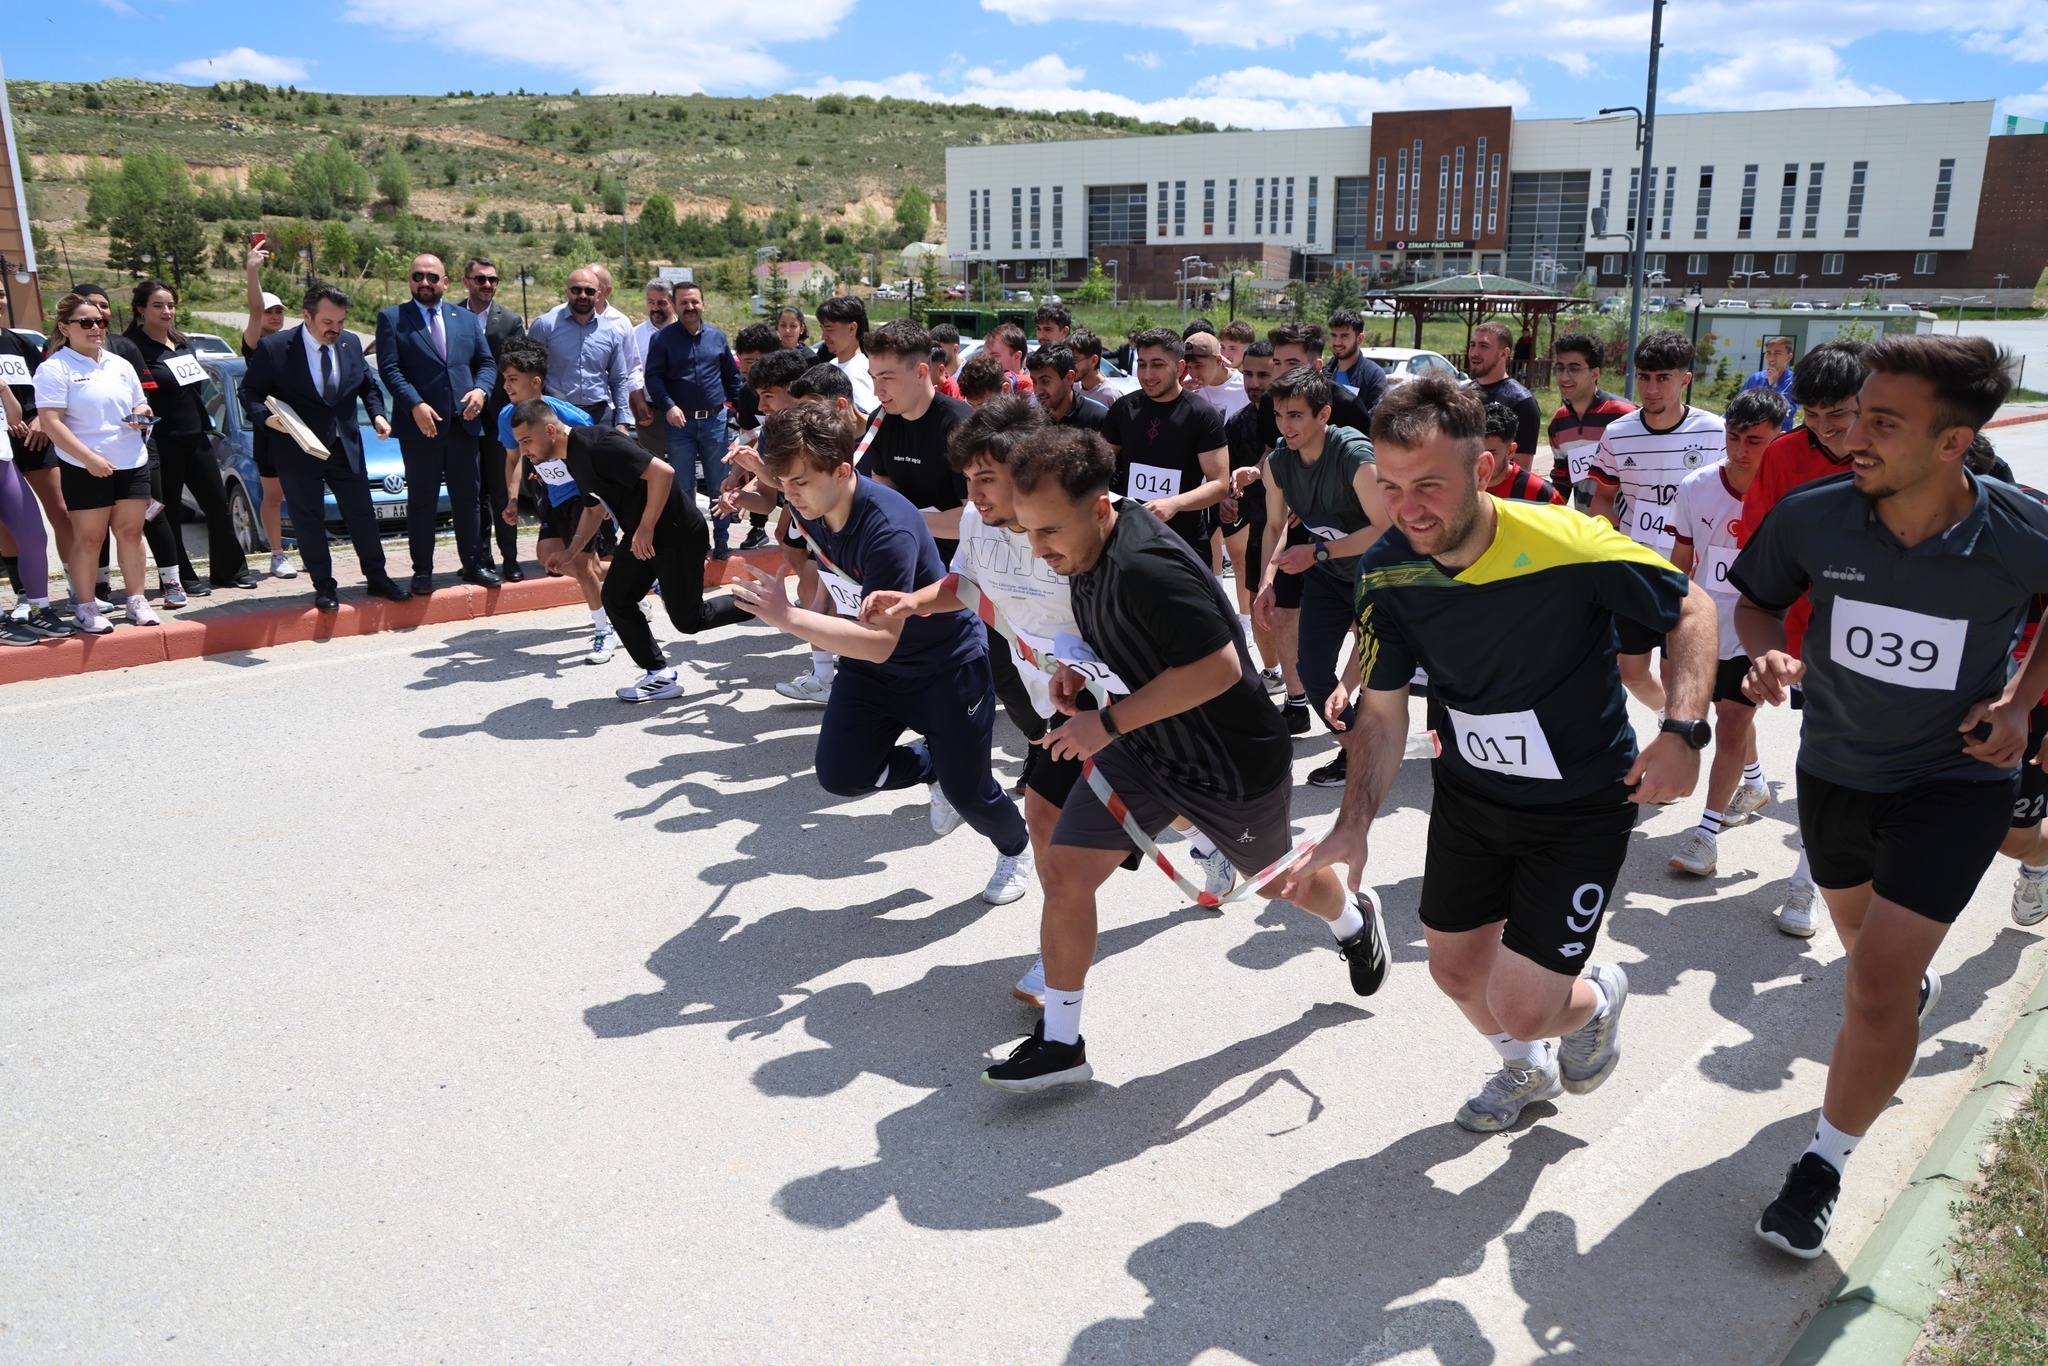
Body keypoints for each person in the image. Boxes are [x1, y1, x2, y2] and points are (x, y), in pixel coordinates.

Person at [1296, 375, 1715, 1133]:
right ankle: (1527, 1067)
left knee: (1523, 1004)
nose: (1408, 509)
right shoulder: (1387, 567)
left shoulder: (1567, 543)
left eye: (1429, 485)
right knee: (1456, 971)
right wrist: (1354, 822)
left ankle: (1597, 998)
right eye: (1391, 487)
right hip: (1471, 798)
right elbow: (1383, 713)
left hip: (1580, 805)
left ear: (1483, 469)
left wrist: (1683, 729)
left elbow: (1692, 606)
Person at [1734, 334, 2047, 1261]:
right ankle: (1907, 993)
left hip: (1956, 779)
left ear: (1953, 443)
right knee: (1870, 959)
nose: (1854, 437)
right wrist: (1766, 650)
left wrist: (2020, 701)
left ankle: (1822, 1164)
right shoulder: (1815, 515)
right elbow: (1755, 601)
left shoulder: (2019, 529)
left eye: (1882, 423)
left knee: (1871, 989)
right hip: (1837, 770)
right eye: (1857, 416)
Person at [980, 426, 1391, 1092]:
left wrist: (1104, 723)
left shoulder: (1145, 565)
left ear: (1101, 509)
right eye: (1028, 531)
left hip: (1229, 761)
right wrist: (1081, 670)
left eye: (1049, 530)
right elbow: (1118, 628)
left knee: (1278, 882)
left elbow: (1218, 669)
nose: (1038, 547)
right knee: (1064, 872)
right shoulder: (1086, 545)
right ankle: (1060, 1043)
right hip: (1145, 748)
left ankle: (1352, 919)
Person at [727, 400, 1035, 906]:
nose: (790, 493)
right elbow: (838, 578)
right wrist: (767, 478)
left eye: (799, 481)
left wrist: (788, 617)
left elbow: (879, 641)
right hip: (873, 673)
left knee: (971, 794)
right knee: (842, 775)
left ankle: (1015, 847)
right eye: (783, 482)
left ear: (841, 470)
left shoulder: (887, 528)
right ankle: (929, 766)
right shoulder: (813, 502)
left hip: (944, 667)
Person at [862, 396, 1110, 1005]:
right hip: (1058, 699)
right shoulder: (978, 520)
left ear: (1028, 471)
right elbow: (970, 585)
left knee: (1179, 819)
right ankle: (1057, 963)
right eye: (967, 478)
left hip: (1124, 697)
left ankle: (1207, 840)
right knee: (1045, 819)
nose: (972, 494)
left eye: (986, 479)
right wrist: (914, 601)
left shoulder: (1085, 523)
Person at [1737, 339, 1868, 936]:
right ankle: (1811, 877)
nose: (1826, 429)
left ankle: (1812, 877)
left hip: (1891, 635)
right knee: (1826, 753)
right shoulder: (1785, 455)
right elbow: (1758, 551)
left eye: (1838, 415)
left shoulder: (1900, 454)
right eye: (1812, 415)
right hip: (1809, 637)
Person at [510, 399, 746, 702]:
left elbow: (663, 472)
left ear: (550, 431)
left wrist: (646, 526)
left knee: (690, 620)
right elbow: (593, 509)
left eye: (526, 440)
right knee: (616, 598)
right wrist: (571, 552)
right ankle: (658, 676)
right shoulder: (572, 457)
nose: (524, 450)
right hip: (641, 536)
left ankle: (762, 605)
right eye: (520, 443)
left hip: (676, 533)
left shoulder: (599, 444)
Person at [1666, 388, 1787, 876]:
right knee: (1724, 713)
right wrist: (1671, 623)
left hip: (1758, 629)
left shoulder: (1791, 493)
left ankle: (1706, 834)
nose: (1741, 450)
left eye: (1755, 440)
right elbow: (1682, 561)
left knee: (1733, 721)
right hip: (1704, 627)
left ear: (1779, 436)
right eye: (1733, 437)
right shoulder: (1695, 486)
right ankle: (1753, 782)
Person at [1253, 366, 1390, 789]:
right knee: (1311, 671)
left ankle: (1372, 750)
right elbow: (1274, 526)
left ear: (1324, 414)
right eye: (1279, 415)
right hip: (1328, 575)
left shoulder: (1354, 457)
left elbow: (1385, 528)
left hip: (1377, 574)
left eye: (1295, 415)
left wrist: (1316, 551)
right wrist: (1266, 582)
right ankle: (1356, 750)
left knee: (1378, 670)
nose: (1285, 425)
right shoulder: (1278, 463)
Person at [242, 283, 414, 613]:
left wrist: (378, 415)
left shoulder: (350, 343)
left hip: (345, 446)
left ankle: (377, 577)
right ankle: (324, 585)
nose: (336, 329)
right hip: (298, 447)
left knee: (362, 514)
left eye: (341, 322)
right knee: (308, 519)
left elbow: (368, 385)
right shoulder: (276, 348)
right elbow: (249, 391)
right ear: (307, 316)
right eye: (328, 323)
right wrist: (266, 419)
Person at [1589, 329, 1725, 712]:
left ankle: (1680, 732)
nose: (1651, 389)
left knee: (1673, 672)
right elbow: (1603, 498)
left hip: (1688, 575)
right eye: (1644, 377)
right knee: (1631, 673)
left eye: (1663, 378)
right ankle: (1670, 718)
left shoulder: (1714, 432)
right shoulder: (1618, 434)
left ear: (1685, 379)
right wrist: (1606, 551)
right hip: (1637, 570)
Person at [33, 292, 158, 633]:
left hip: (131, 460)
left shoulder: (120, 364)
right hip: (83, 465)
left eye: (100, 322)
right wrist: (88, 458)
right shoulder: (54, 368)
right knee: (89, 539)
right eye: (85, 322)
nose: (95, 328)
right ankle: (85, 607)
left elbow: (140, 403)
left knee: (131, 533)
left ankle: (136, 600)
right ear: (64, 327)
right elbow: (51, 422)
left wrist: (141, 413)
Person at [375, 253, 499, 592]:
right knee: (422, 502)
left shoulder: (465, 318)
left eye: (432, 277)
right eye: (418, 276)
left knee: (468, 499)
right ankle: (423, 572)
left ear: (445, 282)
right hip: (421, 427)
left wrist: (481, 390)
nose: (425, 283)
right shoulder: (392, 318)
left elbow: (486, 363)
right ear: (410, 280)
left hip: (463, 424)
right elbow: (390, 369)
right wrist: (414, 404)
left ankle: (473, 564)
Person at [126, 278, 256, 598]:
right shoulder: (132, 347)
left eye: (171, 305)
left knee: (217, 503)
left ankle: (229, 571)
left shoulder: (182, 342)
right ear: (141, 309)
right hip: (161, 440)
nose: (167, 311)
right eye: (158, 305)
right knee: (168, 512)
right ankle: (179, 576)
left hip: (196, 436)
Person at [495, 337, 611, 663]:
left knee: (581, 565)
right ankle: (637, 582)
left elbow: (595, 452)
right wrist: (513, 499)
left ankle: (604, 629)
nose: (506, 386)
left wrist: (602, 498)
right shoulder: (507, 415)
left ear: (535, 382)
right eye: (504, 379)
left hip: (582, 495)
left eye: (512, 379)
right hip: (552, 496)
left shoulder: (568, 415)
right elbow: (513, 458)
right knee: (550, 557)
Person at [1099, 328, 1229, 560]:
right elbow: (1098, 465)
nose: (1148, 374)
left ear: (1180, 367)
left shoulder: (1202, 414)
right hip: (1129, 537)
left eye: (1158, 365)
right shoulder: (1123, 408)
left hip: (1183, 541)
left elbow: (1219, 485)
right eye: (1142, 365)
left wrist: (1174, 504)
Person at [644, 281, 741, 558]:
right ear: (675, 306)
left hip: (715, 422)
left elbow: (732, 378)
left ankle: (721, 540)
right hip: (679, 424)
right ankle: (693, 541)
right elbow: (653, 377)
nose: (690, 307)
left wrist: (742, 411)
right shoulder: (662, 339)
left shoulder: (717, 337)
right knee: (683, 487)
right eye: (684, 302)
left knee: (719, 483)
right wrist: (668, 406)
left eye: (694, 301)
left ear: (703, 304)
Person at [457, 256, 528, 580]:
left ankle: (510, 559)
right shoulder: (451, 316)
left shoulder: (510, 321)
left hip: (499, 420)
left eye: (492, 280)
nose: (487, 285)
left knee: (502, 492)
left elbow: (519, 368)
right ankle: (479, 558)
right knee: (473, 493)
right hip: (462, 419)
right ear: (466, 282)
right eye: (480, 279)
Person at [1221, 340, 1285, 694]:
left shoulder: (1297, 418)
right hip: (1260, 527)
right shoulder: (1237, 423)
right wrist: (1227, 500)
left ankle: (1303, 680)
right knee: (1258, 603)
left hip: (1301, 527)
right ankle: (1273, 672)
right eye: (1248, 374)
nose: (1255, 383)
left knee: (1295, 611)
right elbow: (1226, 476)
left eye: (1264, 374)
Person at [240, 242, 295, 577]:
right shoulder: (254, 342)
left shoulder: (292, 342)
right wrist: (252, 271)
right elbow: (255, 309)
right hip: (270, 430)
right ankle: (277, 554)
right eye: (269, 311)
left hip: (299, 429)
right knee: (273, 495)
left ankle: (312, 548)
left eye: (279, 311)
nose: (274, 316)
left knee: (303, 493)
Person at [0, 379, 69, 640]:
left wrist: (4, 389)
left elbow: (13, 418)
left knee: (34, 537)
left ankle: (40, 610)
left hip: (4, 462)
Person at [526, 268, 633, 429]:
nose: (583, 295)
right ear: (567, 292)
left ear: (598, 294)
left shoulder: (610, 332)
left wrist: (623, 422)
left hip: (599, 417)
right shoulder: (544, 326)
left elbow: (618, 379)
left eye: (589, 291)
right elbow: (529, 373)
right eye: (577, 290)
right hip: (556, 415)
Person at [1547, 332, 1635, 510]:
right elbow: (1562, 480)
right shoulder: (1558, 423)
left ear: (1594, 374)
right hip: (1585, 525)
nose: (1564, 377)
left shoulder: (1626, 417)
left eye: (1574, 369)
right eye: (1560, 368)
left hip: (1625, 526)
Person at [725, 322, 782, 552]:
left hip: (803, 472)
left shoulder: (794, 388)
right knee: (784, 534)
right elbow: (748, 439)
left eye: (751, 361)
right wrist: (734, 477)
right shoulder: (746, 392)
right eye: (742, 360)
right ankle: (758, 528)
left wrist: (748, 487)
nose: (745, 368)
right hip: (774, 470)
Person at [1466, 321, 1542, 478]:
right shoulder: (1462, 395)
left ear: (1504, 353)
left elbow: (1521, 473)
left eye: (1483, 346)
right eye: (1472, 345)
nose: (1474, 353)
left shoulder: (1522, 402)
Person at [1481, 402, 1567, 506]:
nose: (1481, 460)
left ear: (1511, 451)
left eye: (1490, 454)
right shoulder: (1463, 487)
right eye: (1474, 452)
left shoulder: (1541, 493)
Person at [628, 279, 673, 459]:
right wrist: (639, 404)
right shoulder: (634, 335)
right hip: (649, 413)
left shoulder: (686, 332)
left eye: (661, 303)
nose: (655, 308)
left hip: (683, 412)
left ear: (672, 302)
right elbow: (631, 372)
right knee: (652, 466)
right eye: (651, 302)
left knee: (684, 469)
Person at [815, 296, 877, 415]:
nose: (824, 336)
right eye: (823, 329)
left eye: (830, 330)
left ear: (852, 329)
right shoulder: (833, 364)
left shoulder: (858, 372)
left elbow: (862, 420)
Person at [1023, 344, 1106, 432]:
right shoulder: (1030, 420)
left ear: (1069, 378)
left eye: (1045, 381)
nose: (1038, 390)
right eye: (1034, 381)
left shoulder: (1098, 419)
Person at [1324, 307, 1388, 414]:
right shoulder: (1323, 373)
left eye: (1344, 336)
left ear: (1359, 339)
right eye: (1334, 336)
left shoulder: (1373, 376)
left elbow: (1374, 419)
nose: (1337, 342)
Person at [1181, 330, 1247, 421]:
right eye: (1188, 367)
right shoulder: (1189, 385)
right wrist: (1180, 399)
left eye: (1198, 366)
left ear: (1218, 361)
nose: (1193, 374)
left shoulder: (1243, 387)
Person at [1740, 336, 1799, 432]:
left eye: (1777, 353)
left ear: (1789, 357)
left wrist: (1774, 385)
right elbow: (1739, 406)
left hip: (1780, 435)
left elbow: (1787, 414)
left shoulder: (1795, 381)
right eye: (1768, 353)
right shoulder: (1755, 379)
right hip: (1753, 434)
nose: (1771, 358)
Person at [1070, 328, 1135, 409]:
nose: (1070, 365)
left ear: (1093, 360)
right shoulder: (1073, 389)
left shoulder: (1111, 396)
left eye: (1074, 360)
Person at [982, 323, 1035, 399]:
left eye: (993, 357)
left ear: (1016, 357)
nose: (986, 362)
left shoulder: (1033, 389)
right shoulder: (985, 386)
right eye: (984, 356)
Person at [929, 323, 963, 392]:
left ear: (955, 349)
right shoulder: (930, 375)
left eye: (939, 347)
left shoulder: (970, 376)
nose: (934, 351)